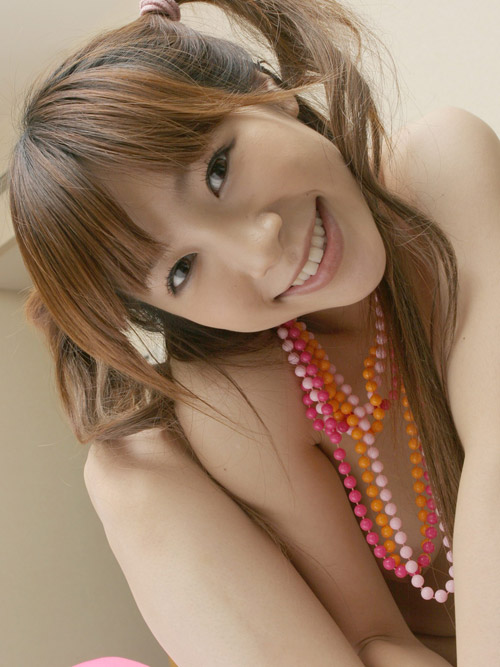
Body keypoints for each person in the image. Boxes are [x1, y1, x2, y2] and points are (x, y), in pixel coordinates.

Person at [7, 0, 500, 664]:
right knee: (122, 465)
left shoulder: (437, 170)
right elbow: (373, 637)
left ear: (268, 92)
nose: (259, 248)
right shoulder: (246, 393)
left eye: (218, 170)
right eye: (181, 270)